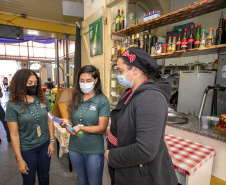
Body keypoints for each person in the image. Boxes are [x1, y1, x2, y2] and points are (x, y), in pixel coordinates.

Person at [104, 47, 178, 185]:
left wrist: (112, 156)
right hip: (127, 169)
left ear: (135, 70)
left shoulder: (150, 98)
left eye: (120, 71)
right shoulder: (130, 93)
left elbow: (145, 150)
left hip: (142, 176)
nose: (118, 75)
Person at [60, 65, 110, 185]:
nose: (85, 83)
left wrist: (81, 128)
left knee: (94, 182)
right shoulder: (75, 98)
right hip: (75, 148)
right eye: (82, 81)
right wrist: (67, 125)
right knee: (81, 181)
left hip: (93, 150)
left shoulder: (102, 100)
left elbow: (102, 128)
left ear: (95, 80)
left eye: (88, 80)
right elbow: (72, 122)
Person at [4, 69, 55, 185]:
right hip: (27, 149)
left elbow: (50, 121)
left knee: (44, 179)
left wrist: (52, 141)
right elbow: (14, 134)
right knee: (29, 181)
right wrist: (19, 159)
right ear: (20, 84)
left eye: (35, 83)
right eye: (30, 83)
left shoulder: (42, 99)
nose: (33, 86)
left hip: (44, 146)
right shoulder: (13, 106)